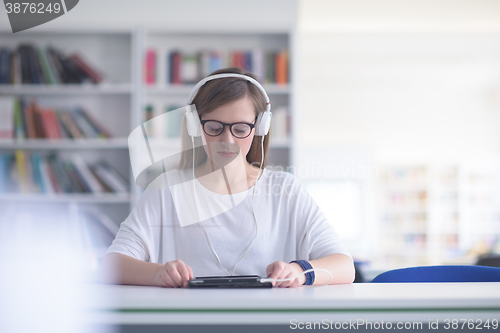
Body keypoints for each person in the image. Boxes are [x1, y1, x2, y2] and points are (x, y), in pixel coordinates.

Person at [99, 68, 355, 288]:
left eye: (241, 129)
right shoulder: (167, 189)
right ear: (194, 126)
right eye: (214, 127)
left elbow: (344, 266)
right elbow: (111, 264)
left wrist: (301, 271)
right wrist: (157, 273)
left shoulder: (284, 189)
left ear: (260, 128)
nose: (227, 140)